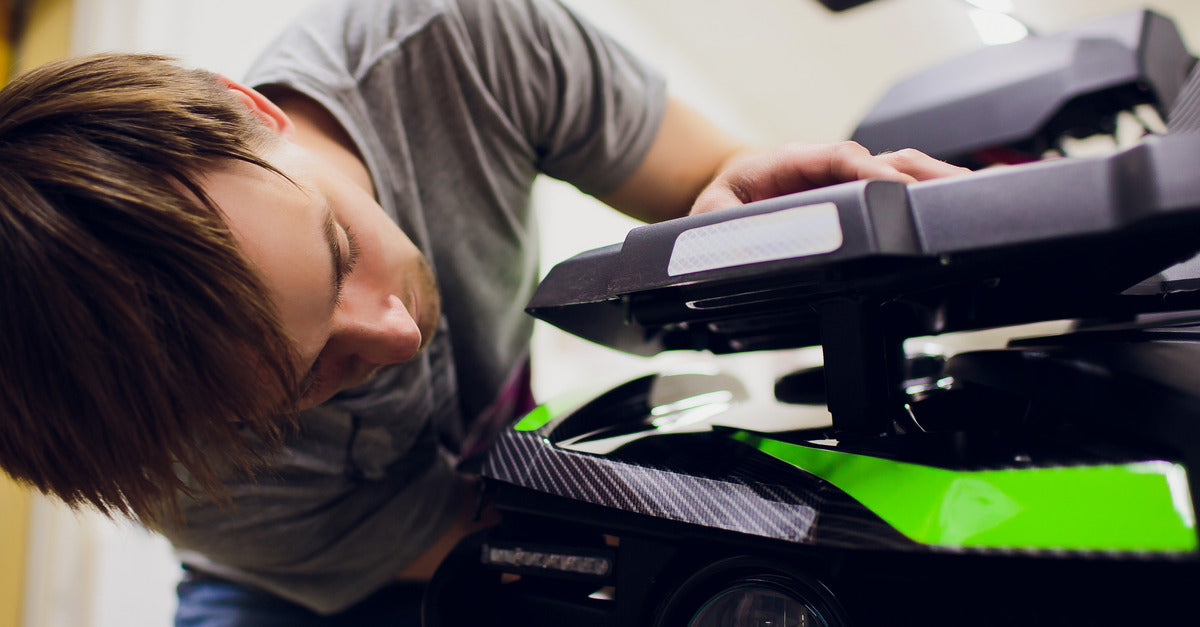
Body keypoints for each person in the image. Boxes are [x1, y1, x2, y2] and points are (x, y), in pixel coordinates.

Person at [0, 0, 967, 624]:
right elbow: (500, 532)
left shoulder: (450, 41)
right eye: (313, 378)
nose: (396, 334)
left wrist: (724, 223)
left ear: (250, 111)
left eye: (338, 252)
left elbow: (704, 180)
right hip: (309, 586)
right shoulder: (198, 466)